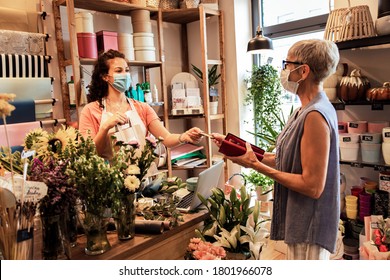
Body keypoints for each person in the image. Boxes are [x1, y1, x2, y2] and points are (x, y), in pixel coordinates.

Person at [212, 39, 340, 260]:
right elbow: (283, 158)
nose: (283, 71)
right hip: (299, 220)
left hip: (310, 225)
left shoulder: (315, 116)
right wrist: (237, 147)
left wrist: (257, 167)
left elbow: (312, 186)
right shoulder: (303, 110)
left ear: (303, 70)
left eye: (287, 64)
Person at [79, 49, 203, 160]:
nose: (125, 75)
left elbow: (166, 138)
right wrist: (105, 128)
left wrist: (184, 137)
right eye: (119, 71)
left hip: (141, 178)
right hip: (108, 180)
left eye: (127, 70)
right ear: (105, 77)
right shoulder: (90, 110)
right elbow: (88, 153)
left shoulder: (142, 108)